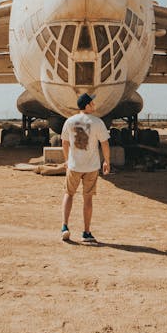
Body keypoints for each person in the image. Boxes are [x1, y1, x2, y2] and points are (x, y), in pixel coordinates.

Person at [60, 93, 110, 244]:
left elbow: (64, 142)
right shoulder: (98, 122)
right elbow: (105, 144)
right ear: (87, 106)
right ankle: (86, 232)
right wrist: (107, 161)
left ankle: (65, 227)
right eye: (92, 103)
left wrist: (67, 160)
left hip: (74, 166)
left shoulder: (70, 121)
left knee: (69, 194)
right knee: (87, 199)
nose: (94, 105)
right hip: (91, 167)